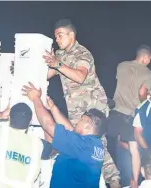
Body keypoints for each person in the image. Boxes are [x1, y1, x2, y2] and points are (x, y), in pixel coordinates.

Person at [43, 19, 120, 187]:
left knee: (99, 147)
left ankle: (114, 182)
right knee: (77, 143)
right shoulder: (61, 55)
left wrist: (58, 64)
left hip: (93, 106)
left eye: (60, 35)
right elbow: (48, 74)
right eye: (56, 36)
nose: (57, 39)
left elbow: (80, 76)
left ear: (71, 35)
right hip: (76, 107)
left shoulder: (82, 53)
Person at [22, 82, 106, 188]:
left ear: (88, 126)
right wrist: (53, 108)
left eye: (81, 120)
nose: (77, 122)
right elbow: (71, 130)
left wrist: (35, 98)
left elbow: (48, 125)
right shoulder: (95, 145)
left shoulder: (81, 146)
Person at [0, 102, 52, 188]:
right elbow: (52, 148)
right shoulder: (38, 145)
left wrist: (2, 114)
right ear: (30, 122)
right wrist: (45, 122)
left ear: (10, 118)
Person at [106, 45, 151, 163]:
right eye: (150, 59)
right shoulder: (148, 73)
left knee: (108, 144)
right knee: (132, 150)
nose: (149, 62)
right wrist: (146, 101)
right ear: (146, 57)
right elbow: (142, 92)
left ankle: (108, 175)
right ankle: (131, 178)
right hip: (131, 115)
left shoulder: (121, 65)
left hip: (115, 111)